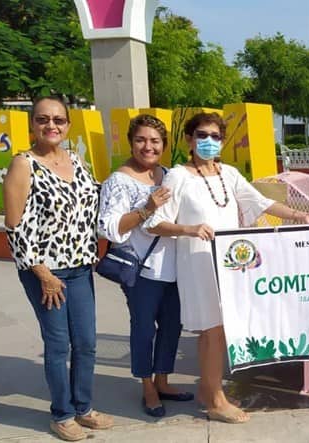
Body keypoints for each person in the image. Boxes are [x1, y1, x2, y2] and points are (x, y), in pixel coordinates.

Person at [144, 112, 309, 423]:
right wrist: (189, 229)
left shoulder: (229, 174)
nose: (209, 141)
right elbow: (154, 223)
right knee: (211, 331)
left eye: (215, 136)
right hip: (197, 262)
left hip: (229, 265)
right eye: (202, 135)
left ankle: (211, 389)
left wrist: (299, 215)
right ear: (189, 139)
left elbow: (261, 203)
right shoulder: (178, 176)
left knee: (224, 329)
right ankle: (213, 399)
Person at [3, 96, 113, 441]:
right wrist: (43, 273)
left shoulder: (77, 161)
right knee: (58, 344)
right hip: (45, 272)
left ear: (68, 125)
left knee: (87, 343)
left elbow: (91, 210)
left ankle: (83, 407)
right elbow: (13, 225)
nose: (51, 126)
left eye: (58, 120)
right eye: (42, 119)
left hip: (80, 268)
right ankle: (62, 414)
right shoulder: (24, 164)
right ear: (32, 124)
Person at [98, 114, 193, 418]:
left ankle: (163, 380)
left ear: (164, 145)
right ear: (131, 142)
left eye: (155, 141)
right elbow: (110, 229)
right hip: (141, 272)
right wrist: (146, 209)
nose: (148, 147)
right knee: (143, 330)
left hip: (175, 268)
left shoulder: (169, 175)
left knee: (171, 326)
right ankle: (148, 386)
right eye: (141, 140)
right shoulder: (118, 181)